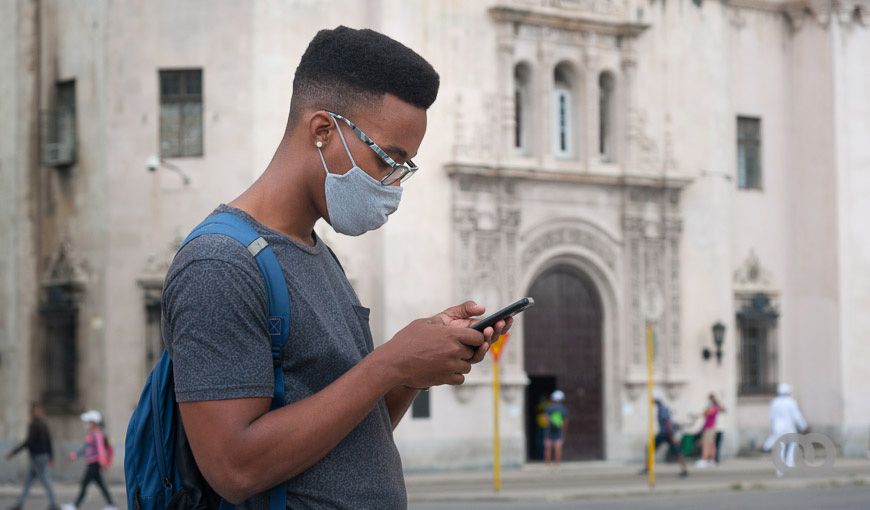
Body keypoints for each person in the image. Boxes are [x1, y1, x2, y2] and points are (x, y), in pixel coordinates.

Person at [162, 26, 511, 508]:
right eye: (389, 157)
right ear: (323, 131)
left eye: (404, 167)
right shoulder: (220, 264)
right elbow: (235, 469)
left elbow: (348, 441)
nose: (393, 183)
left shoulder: (319, 254)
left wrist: (409, 372)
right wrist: (387, 362)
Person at [5, 402, 59, 510]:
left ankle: (54, 504)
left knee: (45, 480)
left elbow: (29, 442)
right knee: (28, 482)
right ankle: (19, 504)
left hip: (38, 457)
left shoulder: (35, 425)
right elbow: (48, 441)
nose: (35, 413)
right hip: (40, 457)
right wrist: (51, 457)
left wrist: (14, 452)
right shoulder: (42, 424)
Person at [64, 410, 115, 510]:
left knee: (84, 485)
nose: (86, 424)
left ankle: (75, 505)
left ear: (94, 423)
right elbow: (85, 448)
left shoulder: (97, 434)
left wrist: (103, 463)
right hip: (93, 463)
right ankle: (111, 505)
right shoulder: (92, 434)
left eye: (88, 422)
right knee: (101, 485)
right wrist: (75, 455)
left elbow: (100, 449)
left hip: (94, 463)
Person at [640, 389, 688, 477]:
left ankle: (684, 470)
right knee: (676, 451)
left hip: (666, 434)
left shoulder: (662, 409)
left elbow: (667, 422)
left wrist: (672, 436)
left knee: (675, 451)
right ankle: (684, 470)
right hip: (665, 433)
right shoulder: (663, 408)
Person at [763, 383, 808, 476]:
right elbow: (796, 416)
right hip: (789, 427)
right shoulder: (791, 402)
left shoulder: (774, 402)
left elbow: (771, 417)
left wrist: (772, 427)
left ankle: (780, 469)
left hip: (778, 427)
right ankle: (789, 463)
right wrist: (803, 425)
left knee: (780, 447)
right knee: (793, 444)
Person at [694, 393, 725, 468]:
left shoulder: (712, 408)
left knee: (706, 444)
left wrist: (705, 410)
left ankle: (704, 460)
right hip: (711, 428)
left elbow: (705, 414)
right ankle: (712, 460)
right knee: (712, 445)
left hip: (709, 428)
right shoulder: (715, 408)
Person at [543, 390, 569, 465]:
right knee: (558, 447)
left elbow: (545, 419)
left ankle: (547, 463)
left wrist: (548, 425)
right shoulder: (564, 409)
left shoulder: (549, 408)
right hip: (558, 430)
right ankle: (557, 463)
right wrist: (564, 430)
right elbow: (566, 421)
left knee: (548, 447)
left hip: (548, 430)